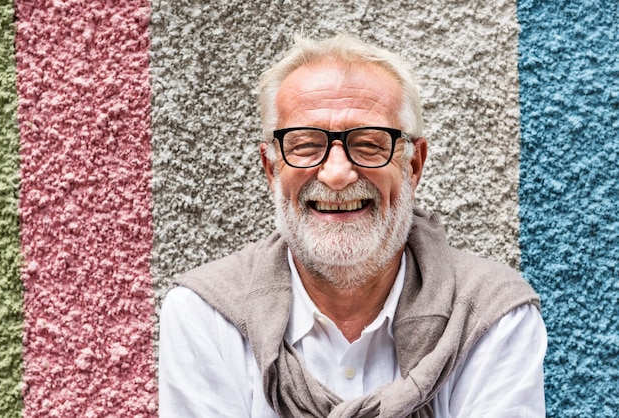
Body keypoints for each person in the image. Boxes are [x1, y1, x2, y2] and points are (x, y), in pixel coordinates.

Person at [158, 33, 546, 417]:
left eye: (369, 144)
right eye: (306, 144)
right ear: (271, 170)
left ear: (413, 166)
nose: (337, 173)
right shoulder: (205, 315)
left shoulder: (491, 316)